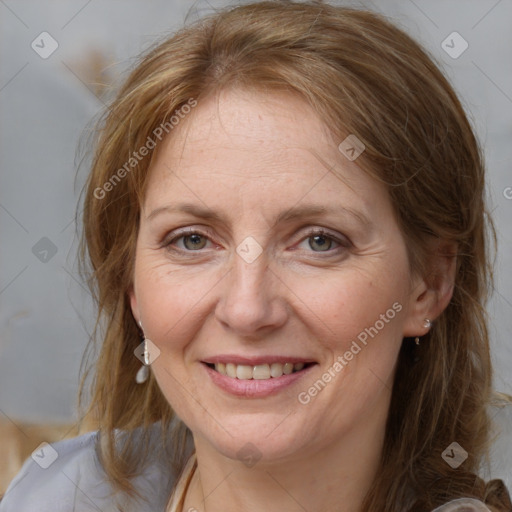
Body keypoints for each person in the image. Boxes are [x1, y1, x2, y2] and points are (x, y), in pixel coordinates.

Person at [1, 1, 510, 511]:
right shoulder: (51, 497)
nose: (247, 310)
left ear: (428, 286)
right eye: (192, 240)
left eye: (319, 241)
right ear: (132, 287)